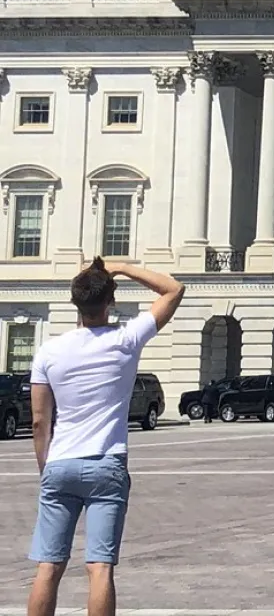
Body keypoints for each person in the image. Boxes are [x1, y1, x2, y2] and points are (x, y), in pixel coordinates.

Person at [27, 258, 186, 616]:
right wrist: (120, 267)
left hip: (60, 462)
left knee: (48, 566)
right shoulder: (126, 339)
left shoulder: (49, 352)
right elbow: (174, 289)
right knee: (99, 567)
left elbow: (40, 421)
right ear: (109, 303)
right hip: (106, 463)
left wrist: (46, 468)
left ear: (75, 303)